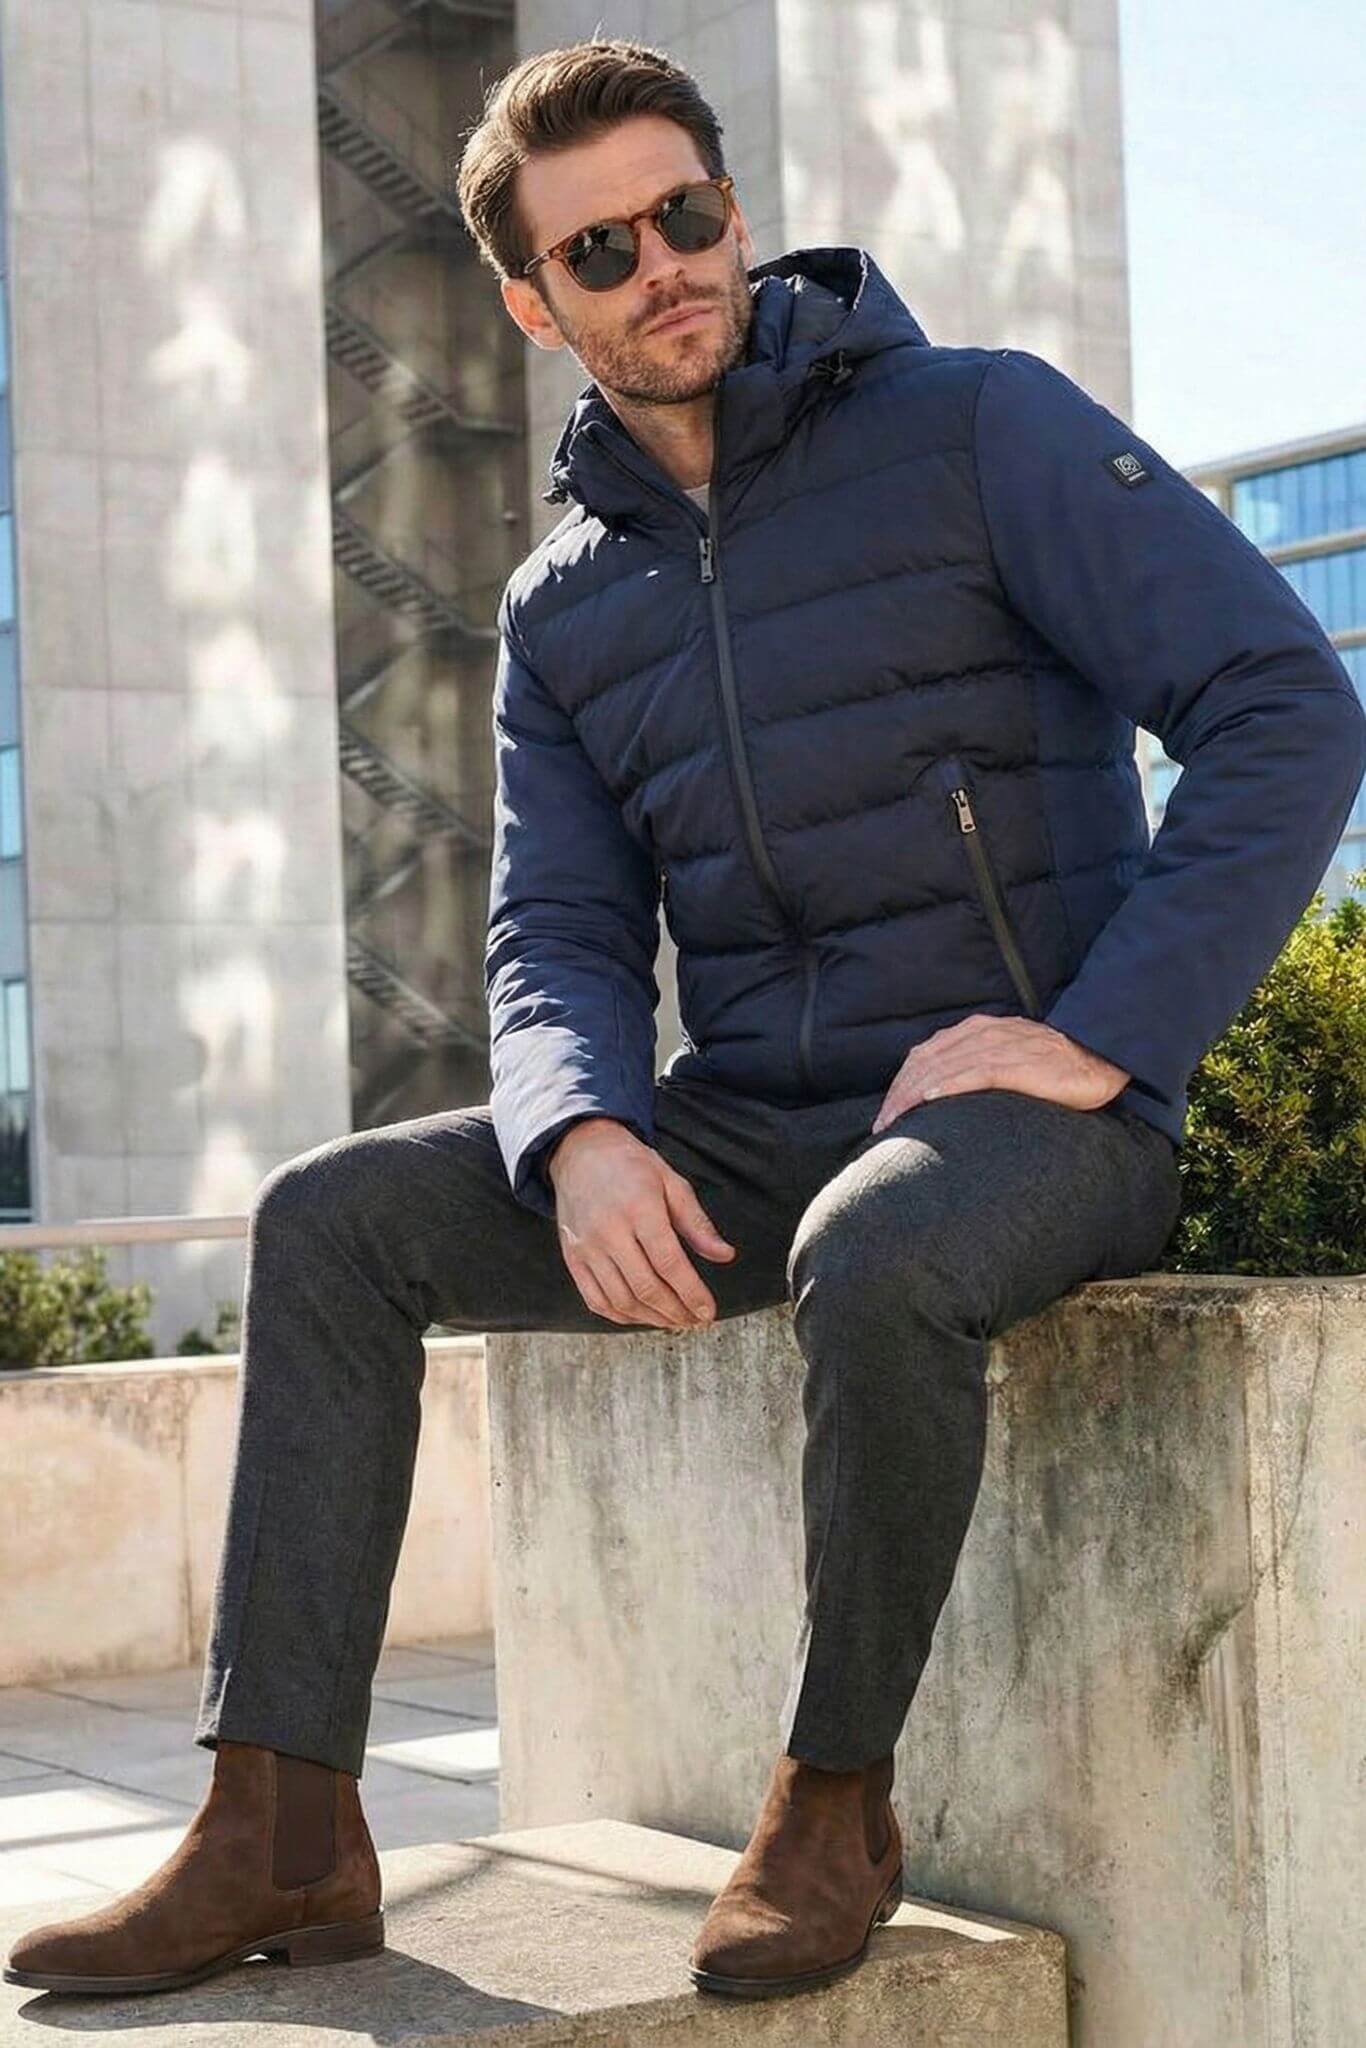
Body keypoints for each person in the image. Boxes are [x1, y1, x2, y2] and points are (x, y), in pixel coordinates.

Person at [8, 32, 1364, 2007]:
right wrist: (578, 1133)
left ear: (732, 210)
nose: (663, 264)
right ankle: (278, 1826)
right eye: (603, 248)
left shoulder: (977, 426)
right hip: (755, 1118)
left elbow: (1276, 701)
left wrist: (1102, 1030)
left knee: (876, 1246)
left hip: (1024, 1126)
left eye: (687, 214)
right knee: (330, 1219)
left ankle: (831, 1802)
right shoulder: (562, 608)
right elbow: (551, 928)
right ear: (531, 302)